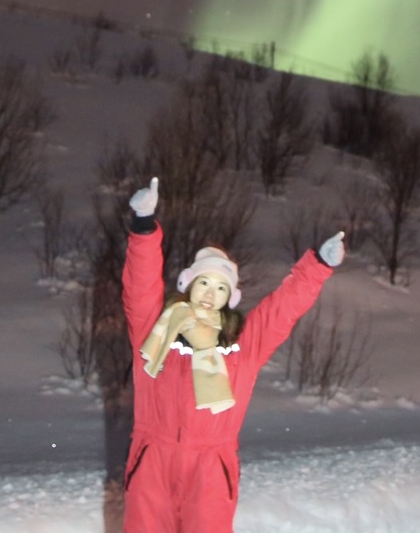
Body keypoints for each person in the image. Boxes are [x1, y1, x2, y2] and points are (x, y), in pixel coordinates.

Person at [121, 175, 344, 533]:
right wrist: (144, 226)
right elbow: (140, 284)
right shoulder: (155, 332)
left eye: (221, 287)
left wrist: (317, 268)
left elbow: (281, 309)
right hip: (152, 461)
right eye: (204, 282)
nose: (211, 293)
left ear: (230, 297)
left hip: (212, 468)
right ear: (189, 284)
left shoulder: (242, 347)